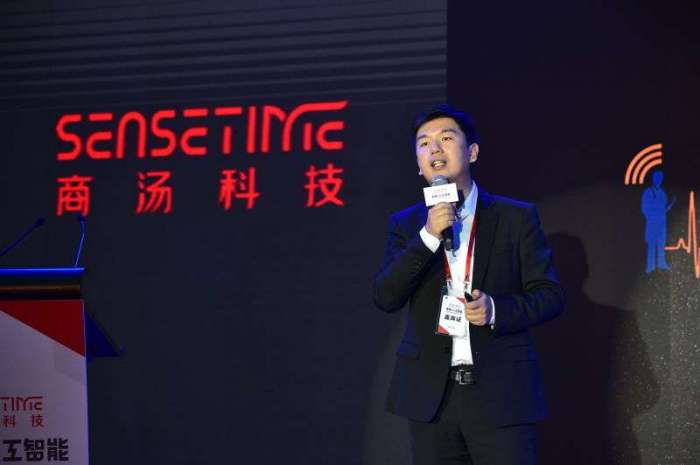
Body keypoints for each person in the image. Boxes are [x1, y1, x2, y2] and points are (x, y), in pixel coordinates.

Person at [373, 104, 564, 465]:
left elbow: (549, 295)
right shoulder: (407, 225)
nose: (434, 148)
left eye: (446, 138)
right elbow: (385, 295)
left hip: (500, 394)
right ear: (418, 164)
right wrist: (428, 236)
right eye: (424, 143)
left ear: (472, 152)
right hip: (432, 398)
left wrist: (495, 310)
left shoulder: (515, 217)